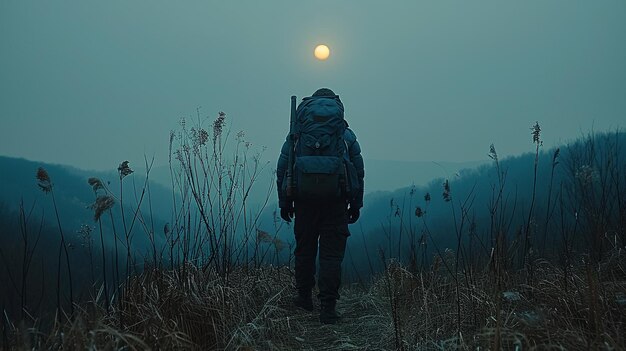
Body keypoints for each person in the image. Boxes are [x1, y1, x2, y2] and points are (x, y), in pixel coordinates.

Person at [276, 88, 365, 324]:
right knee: (331, 256)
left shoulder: (298, 134)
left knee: (304, 250)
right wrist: (356, 203)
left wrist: (284, 201)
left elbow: (283, 167)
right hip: (336, 202)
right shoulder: (345, 135)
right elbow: (357, 170)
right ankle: (328, 307)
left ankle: (304, 297)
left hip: (304, 202)